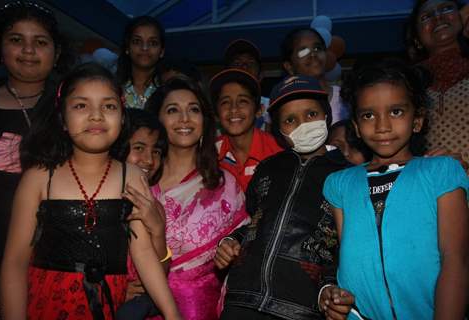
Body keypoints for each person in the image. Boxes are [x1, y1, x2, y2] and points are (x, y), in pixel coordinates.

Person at [0, 63, 181, 320]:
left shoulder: (133, 177)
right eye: (81, 105)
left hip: (108, 307)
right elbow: (15, 262)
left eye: (108, 106)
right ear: (62, 118)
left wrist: (172, 313)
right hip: (46, 304)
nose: (96, 115)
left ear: (122, 117)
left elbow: (142, 252)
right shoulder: (38, 178)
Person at [323, 59, 469, 319]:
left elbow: (455, 259)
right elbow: (347, 260)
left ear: (418, 119)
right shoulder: (340, 184)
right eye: (368, 115)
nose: (382, 126)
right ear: (356, 125)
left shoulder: (441, 172)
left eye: (396, 112)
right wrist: (335, 296)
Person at [214, 75, 354, 320]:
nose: (303, 124)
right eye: (290, 120)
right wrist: (230, 241)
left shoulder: (346, 175)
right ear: (279, 130)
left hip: (301, 307)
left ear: (327, 116)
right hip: (243, 299)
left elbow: (345, 246)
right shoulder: (268, 168)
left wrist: (327, 285)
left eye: (311, 114)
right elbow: (254, 222)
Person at [145, 76, 249, 320]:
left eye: (194, 110)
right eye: (173, 110)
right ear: (157, 120)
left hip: (200, 310)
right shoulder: (140, 180)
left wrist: (233, 249)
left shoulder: (225, 184)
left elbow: (245, 240)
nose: (184, 119)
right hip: (142, 306)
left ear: (205, 121)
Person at [0, 0, 72, 303]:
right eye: (16, 40)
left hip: (56, 258)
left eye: (39, 42)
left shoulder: (72, 106)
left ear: (57, 51)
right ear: (0, 46)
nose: (27, 51)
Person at [117, 108, 168, 320]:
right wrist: (117, 290)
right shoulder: (98, 199)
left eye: (156, 151)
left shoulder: (155, 206)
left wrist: (157, 230)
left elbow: (162, 272)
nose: (148, 160)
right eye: (139, 148)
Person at [405, 0, 469, 163]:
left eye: (447, 9)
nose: (438, 17)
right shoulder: (407, 84)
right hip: (435, 184)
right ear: (417, 39)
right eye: (426, 17)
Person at [210, 68, 282, 191]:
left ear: (259, 110)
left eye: (243, 101)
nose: (233, 109)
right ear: (216, 114)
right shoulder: (210, 153)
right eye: (225, 102)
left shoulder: (278, 152)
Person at [281, 28, 349, 124]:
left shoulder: (345, 98)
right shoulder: (286, 105)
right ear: (289, 66)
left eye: (317, 48)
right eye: (303, 52)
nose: (313, 54)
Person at [117, 16, 165, 109]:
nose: (144, 48)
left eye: (153, 43)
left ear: (162, 51)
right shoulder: (112, 87)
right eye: (137, 41)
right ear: (127, 48)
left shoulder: (168, 90)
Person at [224, 39, 271, 130]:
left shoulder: (273, 107)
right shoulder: (220, 110)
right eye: (237, 63)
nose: (244, 67)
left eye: (251, 63)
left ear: (260, 76)